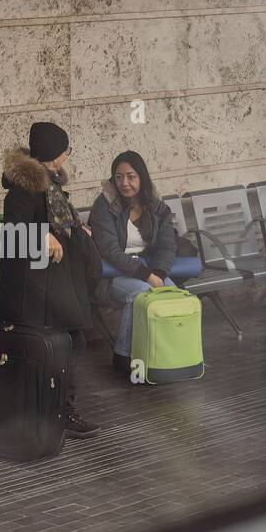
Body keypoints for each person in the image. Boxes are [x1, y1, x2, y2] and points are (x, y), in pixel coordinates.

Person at [0, 121, 100, 439]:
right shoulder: (24, 188)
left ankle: (56, 409)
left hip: (51, 285)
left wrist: (75, 230)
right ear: (56, 155)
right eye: (66, 151)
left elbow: (55, 220)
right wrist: (41, 235)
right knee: (63, 344)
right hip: (33, 291)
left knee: (70, 342)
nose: (67, 157)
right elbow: (15, 232)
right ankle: (56, 411)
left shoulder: (49, 185)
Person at [87, 151, 178, 374]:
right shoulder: (105, 205)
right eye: (118, 177)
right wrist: (148, 276)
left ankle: (166, 355)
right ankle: (123, 356)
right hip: (110, 274)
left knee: (172, 295)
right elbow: (109, 251)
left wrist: (158, 273)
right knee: (139, 294)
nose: (124, 183)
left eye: (131, 176)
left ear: (142, 177)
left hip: (147, 269)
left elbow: (167, 245)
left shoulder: (156, 207)